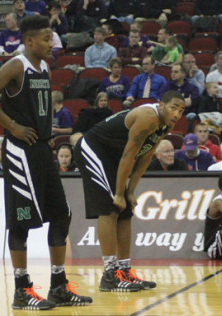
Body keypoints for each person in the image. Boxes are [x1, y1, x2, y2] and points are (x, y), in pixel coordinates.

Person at [0, 15, 92, 310]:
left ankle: (58, 286)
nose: (51, 42)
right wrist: (12, 126)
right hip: (19, 151)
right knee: (22, 223)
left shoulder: (45, 67)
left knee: (61, 214)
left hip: (41, 148)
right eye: (45, 38)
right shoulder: (17, 64)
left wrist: (48, 132)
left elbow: (46, 105)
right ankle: (21, 289)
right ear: (28, 41)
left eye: (51, 37)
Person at [73, 90, 185, 292]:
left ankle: (123, 271)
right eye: (173, 108)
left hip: (112, 156)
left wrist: (130, 191)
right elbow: (128, 155)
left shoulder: (166, 125)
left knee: (125, 213)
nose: (177, 114)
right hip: (93, 148)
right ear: (161, 105)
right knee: (110, 208)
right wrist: (118, 193)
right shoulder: (148, 117)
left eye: (181, 110)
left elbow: (146, 156)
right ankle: (109, 275)